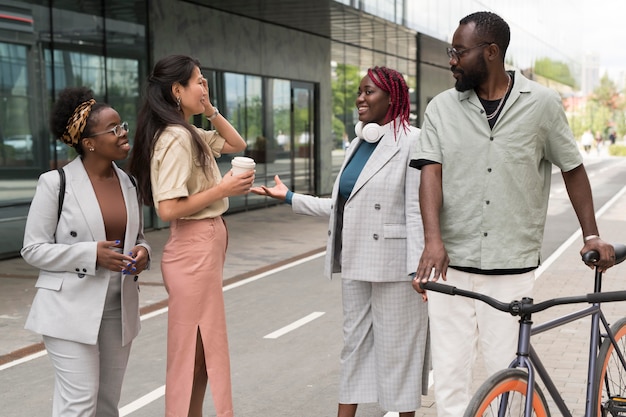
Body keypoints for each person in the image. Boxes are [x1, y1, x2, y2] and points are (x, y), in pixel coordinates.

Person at [410, 11, 616, 417]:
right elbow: (430, 173)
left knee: (508, 377)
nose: (451, 59)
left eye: (458, 51)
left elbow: (572, 168)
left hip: (512, 268)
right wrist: (433, 241)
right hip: (450, 268)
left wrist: (591, 235)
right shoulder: (441, 108)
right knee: (449, 380)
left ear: (490, 52)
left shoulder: (541, 104)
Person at [252, 66, 429, 417]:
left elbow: (417, 209)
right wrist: (289, 197)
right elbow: (342, 206)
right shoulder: (359, 142)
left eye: (369, 92)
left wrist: (419, 269)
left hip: (396, 268)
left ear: (392, 98)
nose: (360, 98)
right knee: (354, 349)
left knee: (399, 352)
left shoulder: (412, 141)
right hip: (356, 260)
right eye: (359, 92)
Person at [128, 55, 252, 417]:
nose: (204, 87)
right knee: (191, 352)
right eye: (199, 81)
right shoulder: (177, 138)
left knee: (200, 352)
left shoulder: (189, 133)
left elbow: (236, 143)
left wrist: (210, 109)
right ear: (176, 90)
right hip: (194, 250)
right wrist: (224, 188)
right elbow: (167, 208)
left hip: (201, 250)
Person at [22, 86, 152, 417]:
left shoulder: (129, 183)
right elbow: (33, 249)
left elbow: (138, 236)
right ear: (89, 142)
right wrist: (89, 254)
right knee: (78, 404)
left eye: (122, 126)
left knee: (107, 405)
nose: (124, 133)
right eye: (114, 129)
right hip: (69, 310)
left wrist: (143, 253)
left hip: (117, 309)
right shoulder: (55, 183)